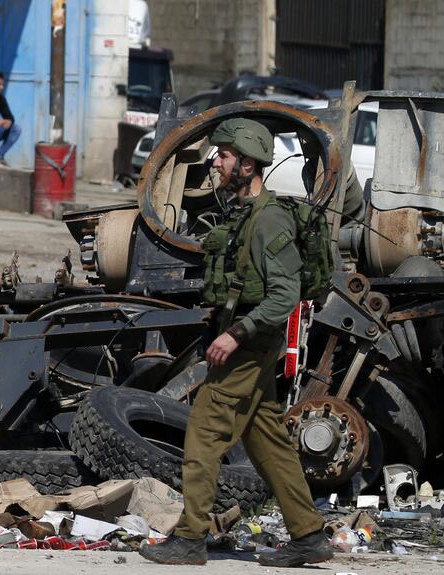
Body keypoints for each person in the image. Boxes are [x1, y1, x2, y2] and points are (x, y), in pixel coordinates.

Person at [139, 119, 333, 568]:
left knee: (203, 433)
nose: (217, 162)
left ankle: (189, 539)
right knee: (266, 438)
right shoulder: (246, 215)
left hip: (250, 344)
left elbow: (285, 296)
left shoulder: (269, 220)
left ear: (247, 163)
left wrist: (235, 333)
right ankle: (309, 535)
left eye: (224, 156)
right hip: (249, 342)